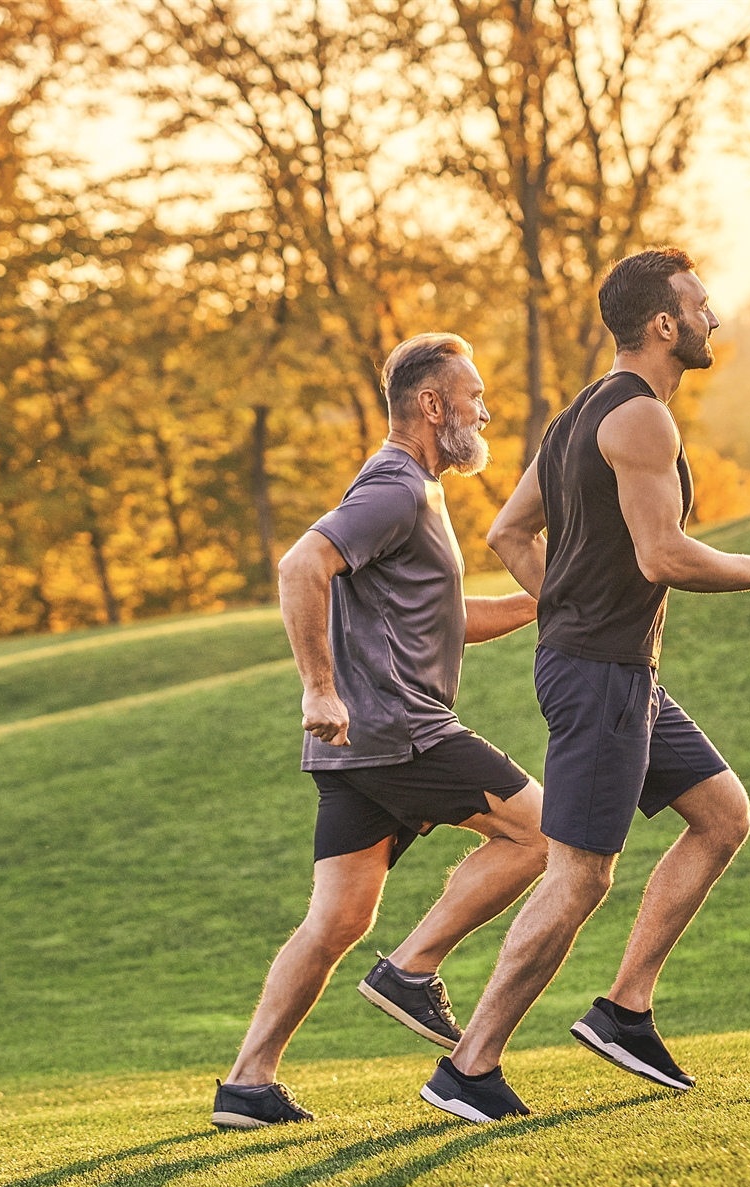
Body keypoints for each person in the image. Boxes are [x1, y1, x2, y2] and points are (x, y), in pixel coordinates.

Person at [417, 249, 750, 1124]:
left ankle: (625, 1009)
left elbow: (507, 532)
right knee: (579, 876)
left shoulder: (577, 417)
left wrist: (565, 605)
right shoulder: (641, 419)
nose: (714, 318)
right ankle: (469, 1065)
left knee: (722, 814)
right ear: (664, 324)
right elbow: (662, 554)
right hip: (601, 672)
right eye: (701, 305)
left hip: (613, 668)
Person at [211, 333, 549, 1130]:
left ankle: (247, 1083)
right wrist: (318, 688)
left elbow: (447, 619)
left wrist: (545, 601)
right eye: (472, 395)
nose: (484, 411)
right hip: (402, 731)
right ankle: (411, 968)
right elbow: (301, 565)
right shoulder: (397, 487)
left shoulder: (413, 491)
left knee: (336, 920)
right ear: (432, 405)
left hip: (361, 747)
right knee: (544, 832)